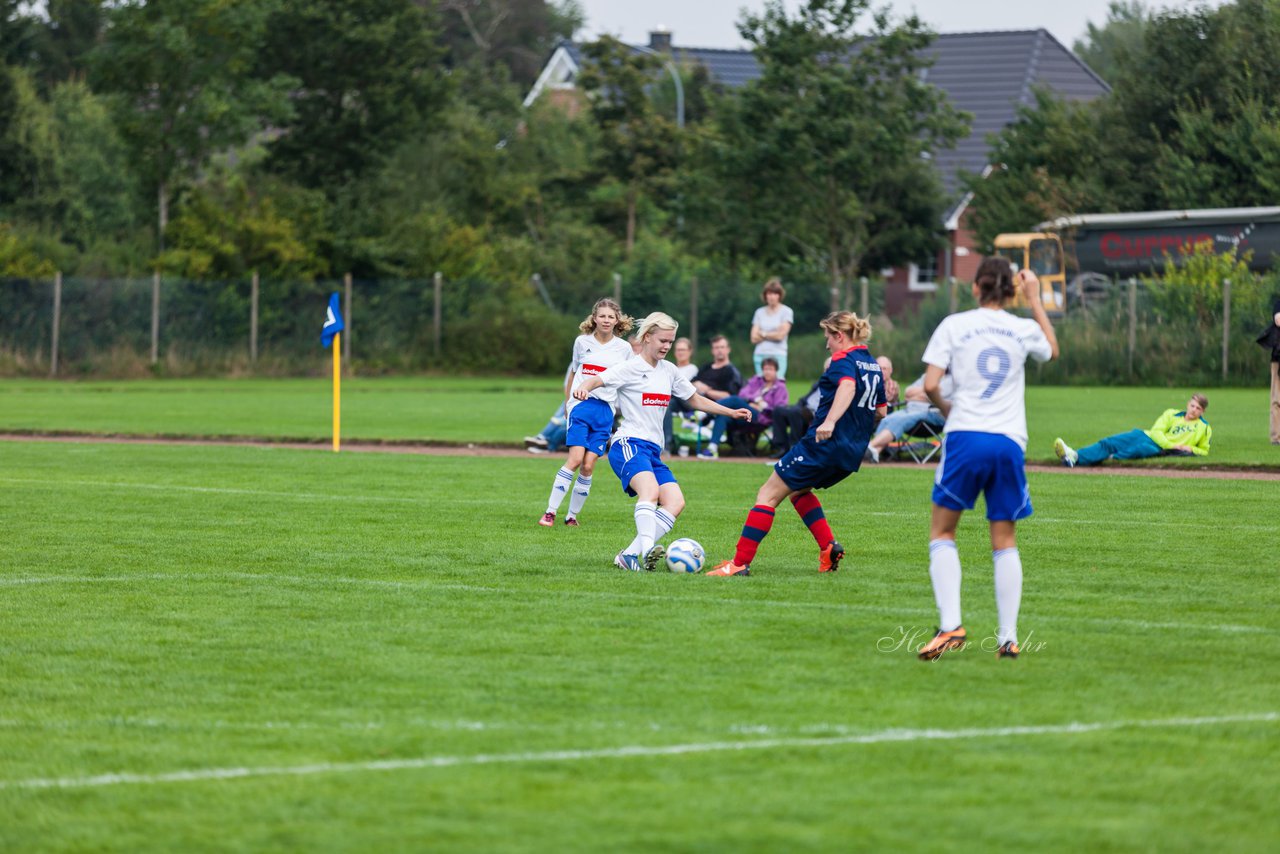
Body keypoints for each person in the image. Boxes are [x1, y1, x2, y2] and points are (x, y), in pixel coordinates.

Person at [916, 257, 1058, 662]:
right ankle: (1008, 639)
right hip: (1009, 442)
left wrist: (948, 410)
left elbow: (929, 384)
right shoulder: (1021, 327)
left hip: (966, 436)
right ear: (1012, 290)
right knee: (1005, 540)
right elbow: (1051, 350)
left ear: (975, 287)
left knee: (943, 533)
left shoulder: (955, 325)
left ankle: (951, 627)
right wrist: (1034, 300)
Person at [707, 311, 887, 577]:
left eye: (828, 337)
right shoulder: (872, 364)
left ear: (839, 335)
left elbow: (847, 387)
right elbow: (881, 412)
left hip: (821, 444)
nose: (827, 343)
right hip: (851, 452)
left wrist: (831, 421)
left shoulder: (842, 359)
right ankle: (828, 547)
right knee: (798, 491)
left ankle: (739, 563)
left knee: (767, 495)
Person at [573, 312, 753, 572]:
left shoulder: (669, 371)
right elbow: (596, 379)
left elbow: (695, 399)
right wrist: (583, 389)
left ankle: (628, 556)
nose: (667, 347)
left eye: (671, 342)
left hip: (652, 451)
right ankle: (647, 551)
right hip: (628, 444)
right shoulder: (631, 367)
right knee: (650, 492)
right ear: (647, 338)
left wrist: (730, 412)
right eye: (663, 341)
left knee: (675, 502)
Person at [538, 298, 634, 528]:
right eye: (602, 316)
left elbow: (628, 381)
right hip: (581, 406)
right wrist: (568, 405)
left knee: (589, 465)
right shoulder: (582, 342)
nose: (606, 320)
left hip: (605, 411)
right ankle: (550, 512)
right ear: (594, 318)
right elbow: (573, 373)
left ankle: (571, 516)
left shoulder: (624, 349)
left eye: (611, 316)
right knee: (575, 459)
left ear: (617, 320)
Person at [1053, 395, 1211, 467]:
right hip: (1147, 435)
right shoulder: (1172, 413)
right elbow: (1156, 431)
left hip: (1158, 449)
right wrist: (1172, 445)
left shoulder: (1204, 428)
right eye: (1192, 405)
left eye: (1198, 408)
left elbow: (1204, 450)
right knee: (1110, 442)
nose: (1194, 410)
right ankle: (1075, 455)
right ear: (1188, 404)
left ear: (1202, 411)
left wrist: (1191, 448)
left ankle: (1079, 459)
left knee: (1132, 451)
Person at [701, 356, 790, 458]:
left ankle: (706, 413)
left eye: (770, 369)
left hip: (762, 417)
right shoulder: (757, 380)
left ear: (776, 371)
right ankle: (712, 449)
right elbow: (743, 394)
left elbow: (778, 409)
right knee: (723, 416)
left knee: (734, 400)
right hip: (746, 413)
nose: (767, 372)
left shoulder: (780, 387)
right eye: (765, 369)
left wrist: (762, 406)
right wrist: (753, 401)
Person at [863, 370, 956, 463]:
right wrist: (926, 389)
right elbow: (908, 392)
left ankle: (870, 446)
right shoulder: (928, 376)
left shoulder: (950, 380)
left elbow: (933, 396)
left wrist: (923, 392)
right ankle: (875, 452)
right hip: (910, 410)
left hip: (932, 414)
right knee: (888, 419)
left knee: (901, 420)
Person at [689, 335, 744, 458]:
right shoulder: (705, 367)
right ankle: (664, 445)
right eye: (716, 347)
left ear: (728, 349)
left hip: (718, 407)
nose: (719, 350)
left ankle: (703, 415)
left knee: (721, 412)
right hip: (694, 401)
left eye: (722, 347)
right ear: (712, 350)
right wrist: (696, 386)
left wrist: (707, 390)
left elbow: (730, 396)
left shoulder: (731, 371)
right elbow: (690, 384)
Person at [750, 278, 794, 378]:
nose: (771, 297)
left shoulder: (787, 311)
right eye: (769, 294)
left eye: (774, 294)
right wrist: (775, 332)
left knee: (777, 385)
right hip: (760, 354)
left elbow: (780, 336)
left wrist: (763, 333)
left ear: (779, 295)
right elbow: (753, 338)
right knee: (761, 386)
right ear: (765, 296)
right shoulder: (759, 312)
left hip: (778, 354)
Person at [664, 337, 701, 452]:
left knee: (667, 400)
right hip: (672, 400)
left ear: (690, 351)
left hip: (686, 401)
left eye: (683, 350)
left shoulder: (692, 368)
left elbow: (683, 389)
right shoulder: (670, 368)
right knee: (664, 404)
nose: (680, 352)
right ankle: (664, 442)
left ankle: (667, 444)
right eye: (678, 350)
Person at [1258, 295, 1280, 444]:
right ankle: (1276, 437)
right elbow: (1278, 319)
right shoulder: (1279, 304)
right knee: (1277, 400)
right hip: (1279, 358)